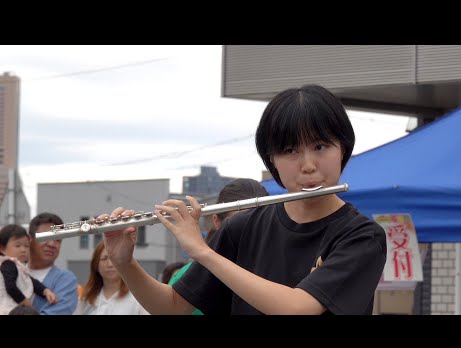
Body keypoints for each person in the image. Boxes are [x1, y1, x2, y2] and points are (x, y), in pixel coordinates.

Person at [101, 84, 387, 315]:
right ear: (271, 159)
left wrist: (202, 251)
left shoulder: (361, 237)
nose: (308, 164)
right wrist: (125, 263)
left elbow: (298, 307)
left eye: (321, 146)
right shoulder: (242, 228)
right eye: (290, 150)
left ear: (343, 149)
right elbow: (173, 307)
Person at [167, 178, 270, 315]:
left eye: (259, 224)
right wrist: (129, 263)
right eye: (238, 225)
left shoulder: (284, 268)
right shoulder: (185, 277)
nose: (250, 236)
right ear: (217, 221)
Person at [74, 240, 149, 315]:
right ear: (96, 264)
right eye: (104, 259)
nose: (110, 264)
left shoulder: (138, 298)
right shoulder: (86, 299)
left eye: (114, 258)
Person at [0, 224, 58, 315]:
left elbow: (30, 281)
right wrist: (24, 301)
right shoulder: (8, 264)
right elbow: (10, 287)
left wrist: (45, 291)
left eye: (26, 246)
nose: (23, 250)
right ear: (2, 249)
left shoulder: (18, 267)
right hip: (7, 309)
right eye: (18, 246)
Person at [28, 212, 79, 315]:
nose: (52, 244)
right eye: (46, 237)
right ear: (30, 240)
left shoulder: (66, 280)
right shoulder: (10, 270)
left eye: (57, 240)